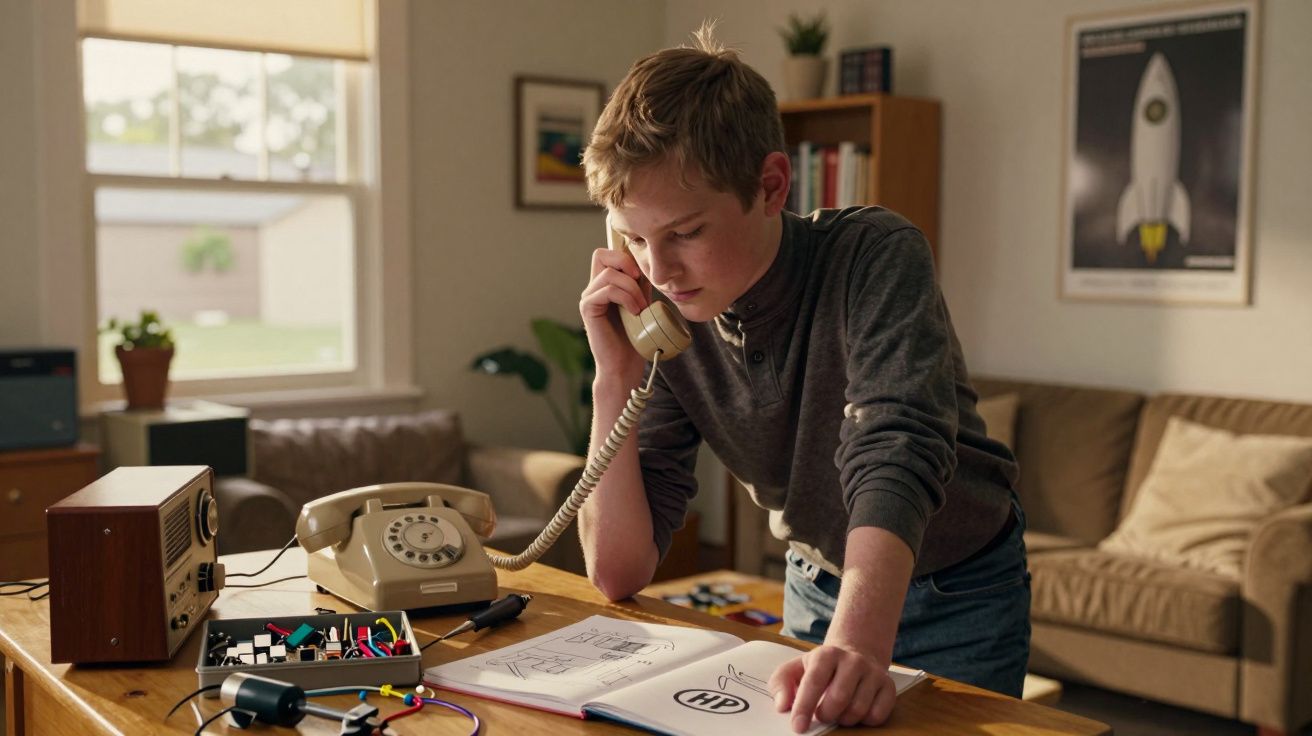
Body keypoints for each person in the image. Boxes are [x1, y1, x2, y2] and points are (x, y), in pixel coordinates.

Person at [576, 24, 1029, 732]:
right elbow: (618, 571)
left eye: (685, 232)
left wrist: (856, 641)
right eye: (634, 237)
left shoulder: (874, 253)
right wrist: (614, 381)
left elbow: (895, 444)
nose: (658, 271)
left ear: (771, 186)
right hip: (816, 585)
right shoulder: (665, 315)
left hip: (957, 590)